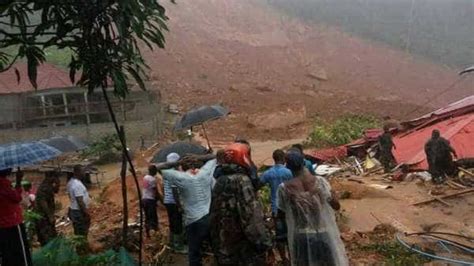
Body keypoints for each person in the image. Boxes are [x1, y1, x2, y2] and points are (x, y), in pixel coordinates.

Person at [277, 150, 348, 266]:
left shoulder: (284, 188)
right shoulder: (320, 182)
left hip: (300, 236)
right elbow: (336, 206)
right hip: (322, 233)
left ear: (288, 166)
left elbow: (281, 215)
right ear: (304, 163)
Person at [210, 143, 272, 265]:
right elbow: (251, 218)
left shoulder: (220, 181)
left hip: (223, 249)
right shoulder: (242, 181)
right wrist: (265, 243)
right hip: (242, 252)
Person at [161, 155, 217, 266]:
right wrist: (201, 158)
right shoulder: (205, 173)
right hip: (208, 217)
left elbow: (159, 168)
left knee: (194, 252)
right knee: (216, 248)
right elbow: (214, 158)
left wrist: (176, 163)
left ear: (182, 166)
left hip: (193, 221)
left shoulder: (180, 177)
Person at [260, 149, 293, 264]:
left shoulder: (269, 173)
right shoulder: (289, 172)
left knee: (279, 235)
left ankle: (284, 258)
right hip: (289, 208)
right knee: (290, 233)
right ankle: (293, 256)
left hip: (276, 208)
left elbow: (258, 184)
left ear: (273, 159)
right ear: (283, 159)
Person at [0, 168, 33, 266]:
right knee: (21, 253)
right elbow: (17, 198)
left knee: (7, 254)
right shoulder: (3, 184)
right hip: (12, 223)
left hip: (2, 225)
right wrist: (18, 180)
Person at [163, 153, 186, 252]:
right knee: (177, 223)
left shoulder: (166, 172)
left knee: (172, 222)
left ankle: (172, 243)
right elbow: (174, 190)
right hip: (173, 202)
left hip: (168, 201)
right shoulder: (174, 174)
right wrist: (179, 205)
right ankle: (179, 246)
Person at [35, 171, 60, 246]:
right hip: (43, 218)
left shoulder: (48, 186)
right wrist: (50, 216)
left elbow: (56, 191)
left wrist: (58, 184)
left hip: (46, 217)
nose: (56, 179)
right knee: (48, 238)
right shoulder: (44, 188)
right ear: (50, 177)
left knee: (52, 236)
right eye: (55, 177)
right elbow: (43, 203)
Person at [67, 165, 91, 237]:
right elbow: (80, 201)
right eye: (83, 171)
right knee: (82, 232)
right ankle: (82, 247)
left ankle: (81, 246)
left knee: (78, 232)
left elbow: (71, 196)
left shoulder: (70, 182)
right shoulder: (77, 185)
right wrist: (86, 213)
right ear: (77, 172)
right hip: (79, 212)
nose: (84, 173)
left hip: (74, 210)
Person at [142, 165, 162, 238]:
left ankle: (147, 233)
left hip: (144, 199)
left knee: (147, 217)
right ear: (154, 171)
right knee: (153, 217)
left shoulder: (145, 177)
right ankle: (155, 233)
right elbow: (155, 191)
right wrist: (160, 199)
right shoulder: (153, 179)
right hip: (150, 200)